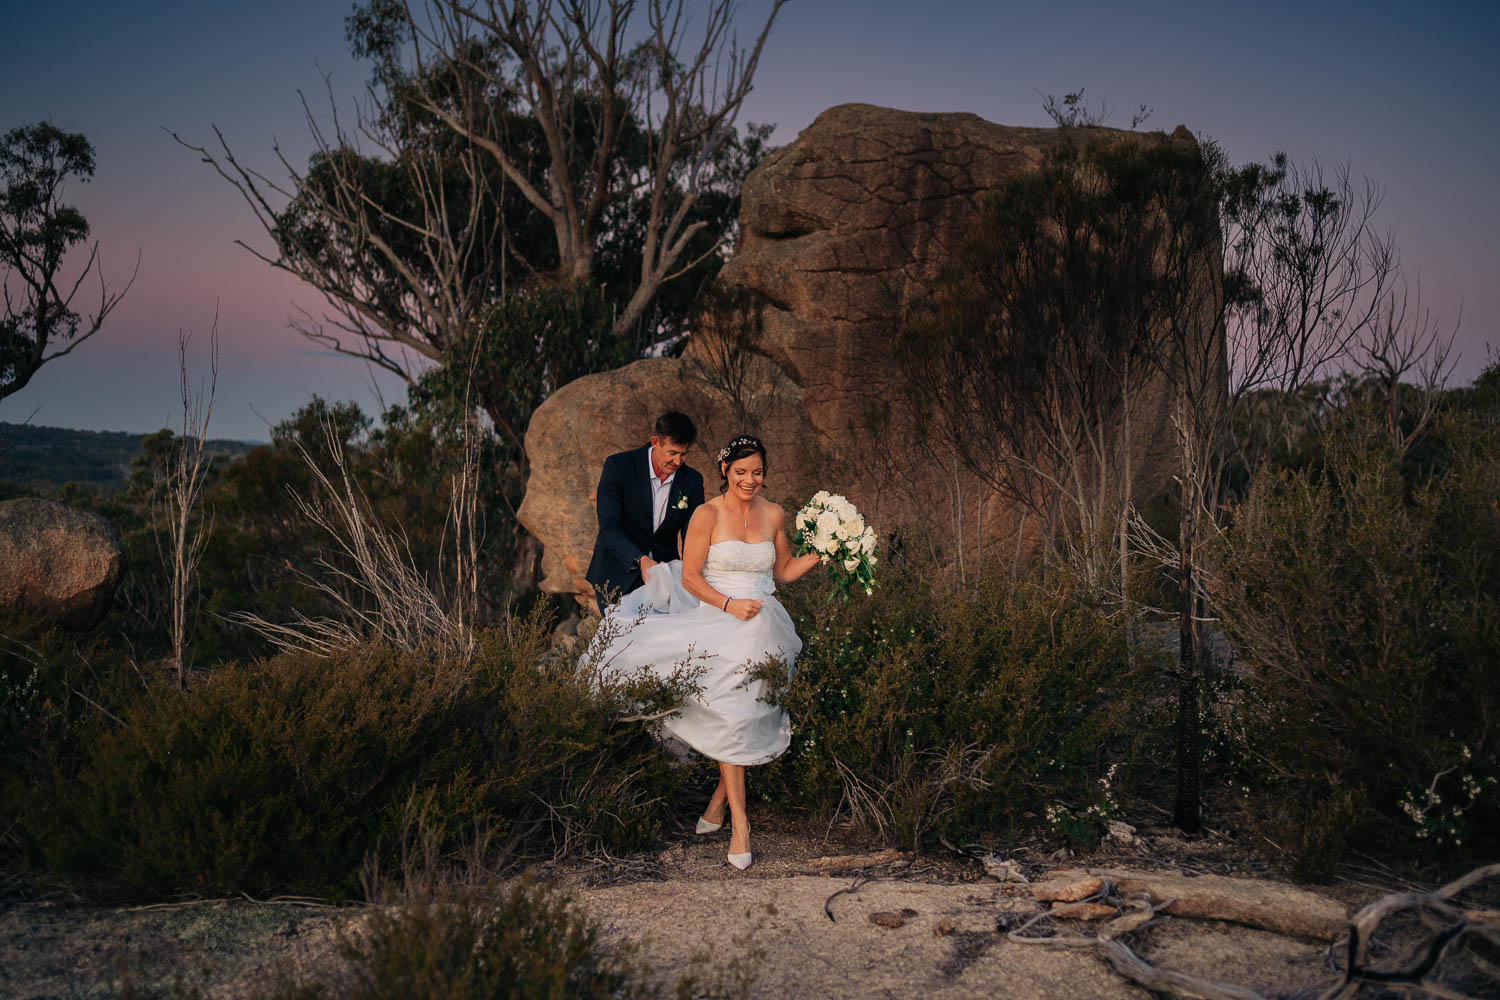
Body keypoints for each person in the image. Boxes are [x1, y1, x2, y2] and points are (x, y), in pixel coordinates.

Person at [586, 434, 822, 870]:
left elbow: (784, 572)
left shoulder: (774, 513)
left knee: (749, 712)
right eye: (741, 472)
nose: (749, 480)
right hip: (719, 615)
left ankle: (717, 801)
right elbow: (692, 578)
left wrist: (824, 550)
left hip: (765, 621)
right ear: (725, 472)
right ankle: (740, 823)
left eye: (757, 472)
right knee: (732, 712)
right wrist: (730, 605)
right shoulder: (706, 513)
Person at [585, 412, 706, 614]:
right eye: (672, 453)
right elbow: (609, 529)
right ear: (655, 442)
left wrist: (690, 574)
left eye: (684, 454)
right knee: (622, 641)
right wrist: (640, 561)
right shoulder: (619, 467)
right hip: (617, 574)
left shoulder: (692, 480)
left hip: (665, 579)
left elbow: (692, 535)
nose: (678, 461)